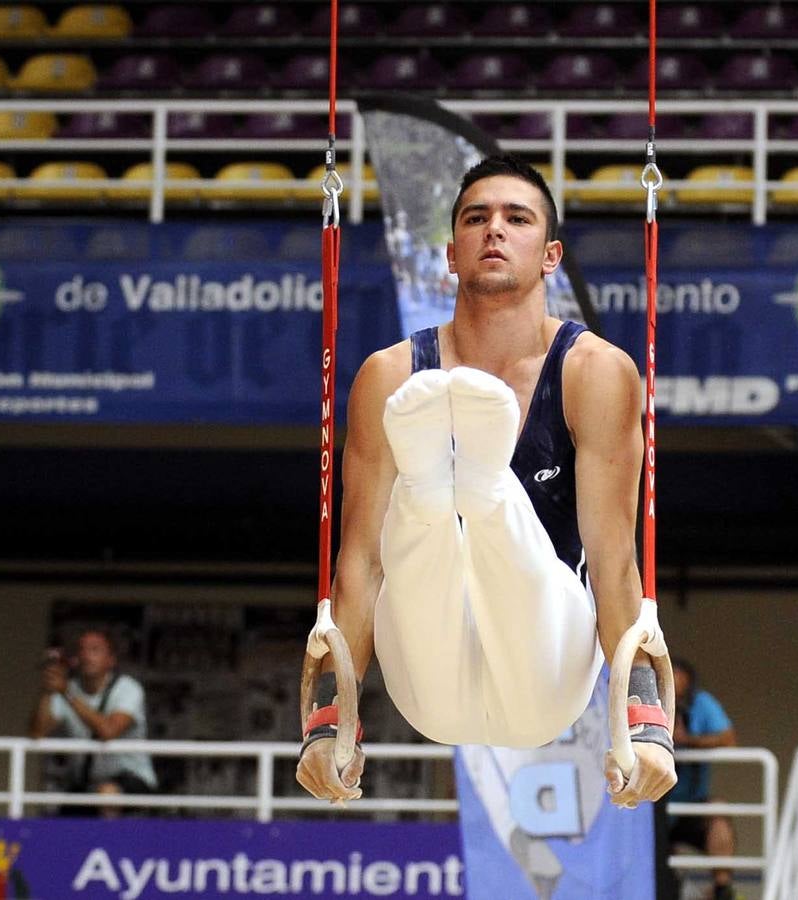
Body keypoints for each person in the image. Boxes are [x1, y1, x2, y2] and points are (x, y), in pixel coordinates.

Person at [297, 154, 676, 809]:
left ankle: (473, 486)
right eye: (476, 218)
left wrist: (643, 721)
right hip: (430, 678)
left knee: (518, 556)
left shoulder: (593, 372)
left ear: (549, 254)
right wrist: (330, 721)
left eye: (515, 218)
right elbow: (358, 562)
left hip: (543, 671)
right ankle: (446, 489)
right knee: (412, 550)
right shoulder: (389, 374)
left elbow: (613, 561)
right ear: (451, 254)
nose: (493, 230)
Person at [29, 627, 157, 815]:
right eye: (82, 649)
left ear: (111, 660)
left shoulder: (128, 688)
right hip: (86, 785)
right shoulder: (69, 688)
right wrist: (49, 689)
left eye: (95, 650)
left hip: (131, 781)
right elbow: (37, 732)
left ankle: (111, 844)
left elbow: (109, 731)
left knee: (107, 793)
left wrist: (66, 693)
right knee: (60, 821)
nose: (86, 656)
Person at [663, 659, 738, 900]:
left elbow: (728, 739)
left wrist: (687, 741)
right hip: (648, 803)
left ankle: (722, 890)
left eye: (680, 691)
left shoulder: (700, 703)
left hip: (691, 802)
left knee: (718, 814)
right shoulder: (642, 699)